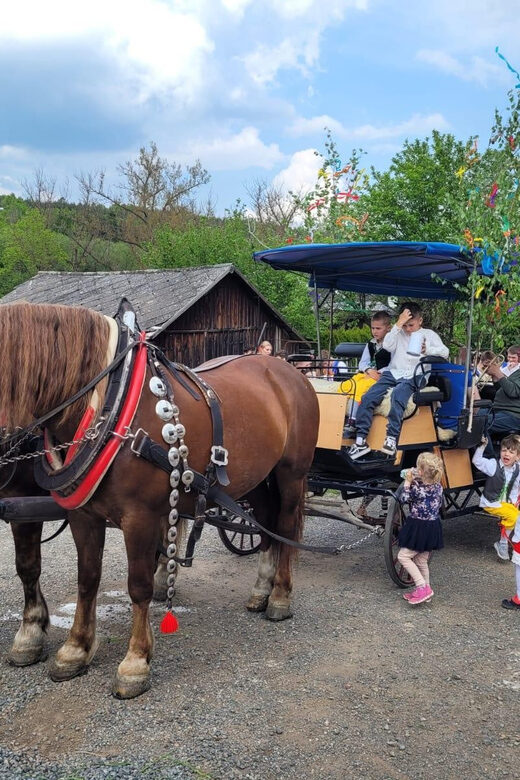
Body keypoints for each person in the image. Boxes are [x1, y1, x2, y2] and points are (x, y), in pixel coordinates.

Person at [348, 302, 449, 460]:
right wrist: (398, 324)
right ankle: (361, 440)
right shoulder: (397, 332)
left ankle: (391, 437)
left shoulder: (429, 335)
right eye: (405, 325)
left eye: (411, 325)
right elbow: (387, 346)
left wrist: (427, 350)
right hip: (394, 372)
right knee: (368, 396)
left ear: (420, 321)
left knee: (398, 393)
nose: (408, 329)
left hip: (416, 375)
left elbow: (445, 352)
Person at [397, 452, 444, 605]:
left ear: (421, 472)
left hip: (419, 527)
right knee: (421, 559)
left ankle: (422, 587)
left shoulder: (417, 489)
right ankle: (426, 590)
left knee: (403, 556)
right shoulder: (438, 487)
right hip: (433, 527)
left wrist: (407, 482)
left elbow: (403, 499)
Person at [472, 434, 520, 562]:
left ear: (517, 457)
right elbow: (476, 461)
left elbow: (516, 489)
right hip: (492, 503)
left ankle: (510, 542)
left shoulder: (517, 470)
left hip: (506, 504)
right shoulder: (493, 465)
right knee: (514, 517)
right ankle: (502, 544)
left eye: (511, 452)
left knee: (516, 515)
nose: (507, 454)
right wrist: (482, 446)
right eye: (504, 450)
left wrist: (515, 503)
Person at [342, 311, 392, 433]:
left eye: (378, 328)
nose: (374, 331)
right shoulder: (371, 344)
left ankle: (353, 420)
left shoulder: (392, 344)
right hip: (369, 374)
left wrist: (380, 372)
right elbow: (363, 363)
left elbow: (394, 364)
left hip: (382, 377)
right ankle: (338, 417)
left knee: (361, 388)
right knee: (349, 385)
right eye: (373, 328)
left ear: (388, 328)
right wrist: (368, 370)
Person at [479, 345, 520, 450]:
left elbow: (513, 392)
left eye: (513, 358)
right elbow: (500, 390)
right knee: (473, 416)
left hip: (513, 415)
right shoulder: (507, 370)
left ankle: (490, 459)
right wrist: (495, 377)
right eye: (509, 357)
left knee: (482, 423)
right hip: (498, 410)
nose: (510, 360)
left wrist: (498, 373)